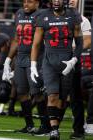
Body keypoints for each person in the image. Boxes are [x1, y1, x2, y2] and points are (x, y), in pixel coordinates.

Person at [30, 0, 83, 139]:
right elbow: (36, 43)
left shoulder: (73, 15)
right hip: (49, 62)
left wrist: (74, 60)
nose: (56, 1)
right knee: (52, 95)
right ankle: (54, 130)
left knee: (63, 99)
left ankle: (56, 126)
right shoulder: (43, 16)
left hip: (67, 62)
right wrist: (33, 64)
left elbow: (79, 43)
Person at [3, 0, 50, 135]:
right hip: (21, 57)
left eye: (30, 1)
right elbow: (17, 39)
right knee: (21, 91)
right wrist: (8, 59)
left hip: (36, 58)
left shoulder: (42, 14)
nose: (26, 4)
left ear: (37, 3)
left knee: (36, 92)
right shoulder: (19, 14)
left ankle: (45, 126)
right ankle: (29, 125)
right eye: (24, 1)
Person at [68, 0, 91, 139]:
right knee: (53, 94)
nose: (71, 0)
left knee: (74, 96)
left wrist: (72, 51)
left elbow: (87, 41)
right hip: (55, 59)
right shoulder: (54, 17)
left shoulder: (83, 20)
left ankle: (78, 130)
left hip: (73, 61)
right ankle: (49, 127)